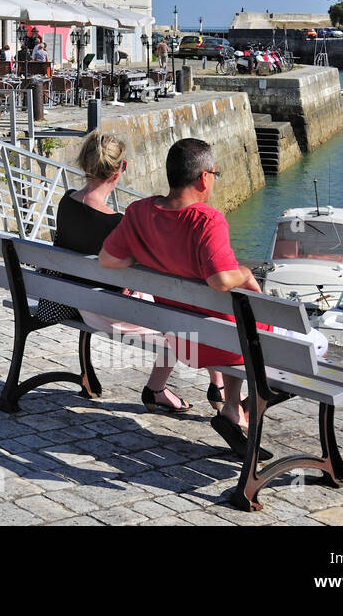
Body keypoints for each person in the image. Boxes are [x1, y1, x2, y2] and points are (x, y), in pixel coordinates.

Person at [99, 139, 282, 459]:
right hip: (227, 343)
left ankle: (232, 409)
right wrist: (246, 275)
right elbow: (221, 279)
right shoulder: (207, 219)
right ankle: (236, 408)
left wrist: (143, 260)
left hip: (182, 337)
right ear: (203, 178)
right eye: (215, 174)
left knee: (232, 328)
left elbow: (108, 260)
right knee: (287, 339)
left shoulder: (138, 211)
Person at [51, 133, 190, 413]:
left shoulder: (66, 202)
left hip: (73, 298)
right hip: (106, 310)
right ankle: (158, 389)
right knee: (185, 331)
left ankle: (201, 388)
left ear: (83, 163)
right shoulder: (117, 223)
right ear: (121, 169)